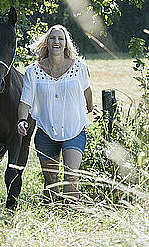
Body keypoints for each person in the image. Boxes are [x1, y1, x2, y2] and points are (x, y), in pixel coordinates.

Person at [17, 25, 93, 203]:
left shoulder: (79, 67)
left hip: (74, 130)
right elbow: (25, 101)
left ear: (66, 44)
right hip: (46, 132)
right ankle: (53, 215)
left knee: (72, 175)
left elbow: (87, 91)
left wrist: (89, 109)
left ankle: (72, 217)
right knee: (51, 181)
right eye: (52, 38)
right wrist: (21, 120)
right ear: (47, 43)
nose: (56, 41)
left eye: (60, 38)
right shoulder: (33, 71)